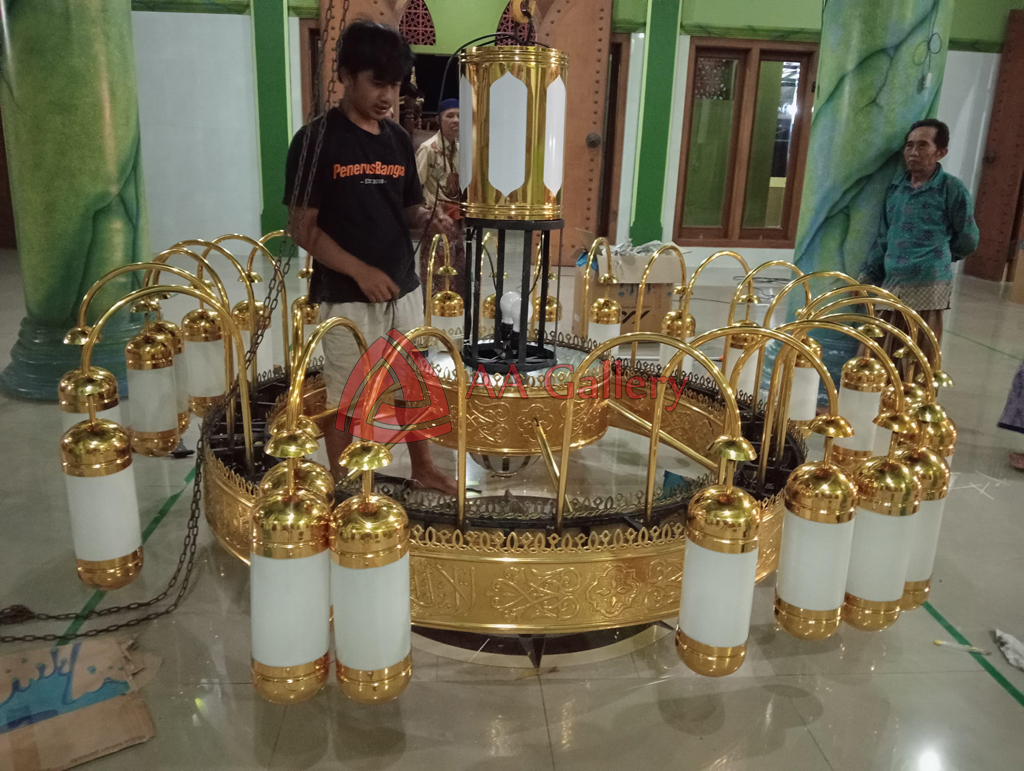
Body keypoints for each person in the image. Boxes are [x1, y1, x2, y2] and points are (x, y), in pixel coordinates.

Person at [284, 20, 456, 494]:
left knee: (412, 384)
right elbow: (302, 228)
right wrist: (360, 271)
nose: (388, 97)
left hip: (403, 287)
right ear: (345, 75)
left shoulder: (397, 139)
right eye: (377, 83)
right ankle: (344, 483)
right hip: (346, 294)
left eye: (395, 86)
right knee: (348, 396)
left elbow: (407, 209)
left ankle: (423, 467)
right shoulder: (315, 140)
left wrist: (428, 219)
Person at [858, 119, 980, 344]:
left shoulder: (951, 189)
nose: (913, 152)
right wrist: (868, 274)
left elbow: (969, 237)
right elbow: (884, 237)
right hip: (893, 281)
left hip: (929, 285)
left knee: (918, 351)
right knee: (881, 347)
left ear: (940, 152)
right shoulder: (896, 189)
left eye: (923, 145)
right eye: (909, 145)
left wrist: (940, 255)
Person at [416, 98, 464, 296]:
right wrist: (428, 212)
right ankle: (432, 309)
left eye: (459, 116)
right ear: (439, 119)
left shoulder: (460, 150)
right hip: (436, 218)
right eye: (449, 116)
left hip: (455, 218)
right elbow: (415, 186)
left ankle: (454, 309)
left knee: (457, 270)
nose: (455, 120)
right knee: (437, 271)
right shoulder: (428, 149)